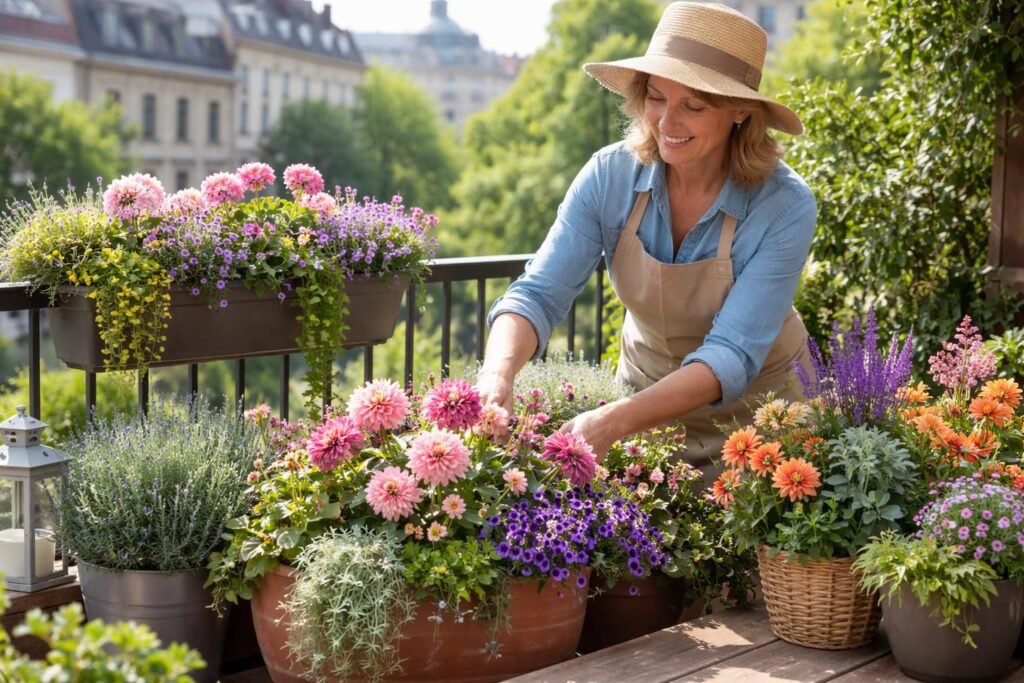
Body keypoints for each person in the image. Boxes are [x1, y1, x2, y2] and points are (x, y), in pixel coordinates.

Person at [476, 1, 816, 474]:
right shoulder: (610, 175)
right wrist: (497, 376)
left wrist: (612, 421)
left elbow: (731, 354)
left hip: (762, 430)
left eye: (693, 106)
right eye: (656, 98)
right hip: (644, 416)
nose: (666, 123)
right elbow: (537, 294)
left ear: (740, 112)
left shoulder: (784, 205)